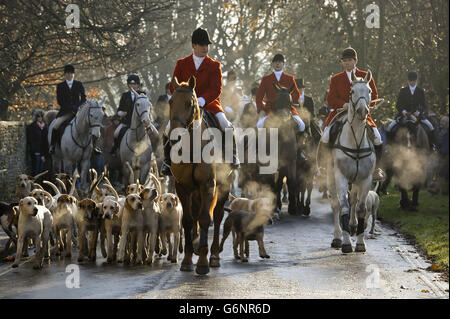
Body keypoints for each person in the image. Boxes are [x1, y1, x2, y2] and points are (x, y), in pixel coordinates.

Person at [161, 27, 240, 176]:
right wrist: (184, 97)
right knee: (167, 128)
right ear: (193, 46)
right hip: (185, 107)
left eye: (207, 45)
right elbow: (173, 86)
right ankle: (167, 162)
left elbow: (217, 88)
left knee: (226, 124)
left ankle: (232, 156)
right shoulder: (181, 63)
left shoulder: (214, 65)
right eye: (202, 44)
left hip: (209, 105)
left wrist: (202, 99)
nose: (205, 48)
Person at [318, 47, 384, 181]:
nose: (347, 63)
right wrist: (344, 104)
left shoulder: (366, 75)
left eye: (350, 60)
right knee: (325, 136)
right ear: (342, 62)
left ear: (355, 60)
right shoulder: (336, 79)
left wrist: (365, 107)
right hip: (341, 114)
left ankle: (377, 169)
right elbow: (331, 98)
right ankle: (323, 168)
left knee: (377, 137)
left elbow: (374, 95)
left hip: (361, 115)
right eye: (345, 61)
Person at [50, 65, 101, 154]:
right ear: (65, 74)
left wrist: (77, 106)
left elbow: (83, 98)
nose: (70, 75)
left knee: (92, 125)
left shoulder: (79, 84)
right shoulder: (60, 86)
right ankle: (53, 145)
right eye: (68, 73)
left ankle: (94, 146)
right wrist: (70, 108)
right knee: (56, 125)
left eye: (71, 73)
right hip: (65, 112)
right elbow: (60, 101)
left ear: (73, 74)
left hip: (79, 111)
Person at [255, 54, 305, 133]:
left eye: (279, 62)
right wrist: (261, 109)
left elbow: (296, 94)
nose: (277, 64)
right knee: (259, 125)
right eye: (275, 62)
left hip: (287, 109)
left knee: (302, 125)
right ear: (272, 64)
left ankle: (300, 144)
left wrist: (287, 99)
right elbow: (258, 97)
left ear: (283, 64)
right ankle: (260, 145)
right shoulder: (266, 79)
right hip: (271, 109)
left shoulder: (290, 78)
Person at [386, 70, 435, 148]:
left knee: (430, 126)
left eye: (413, 81)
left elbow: (423, 105)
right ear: (408, 80)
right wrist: (403, 111)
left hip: (417, 114)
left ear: (416, 80)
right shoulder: (402, 90)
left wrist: (419, 111)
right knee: (390, 127)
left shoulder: (420, 91)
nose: (412, 82)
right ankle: (388, 146)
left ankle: (432, 145)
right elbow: (398, 104)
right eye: (410, 81)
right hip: (404, 114)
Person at [110, 74, 147, 155]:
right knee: (116, 133)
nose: (133, 86)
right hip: (127, 121)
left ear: (138, 85)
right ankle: (116, 149)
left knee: (154, 132)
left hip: (141, 121)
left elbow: (146, 106)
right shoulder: (125, 95)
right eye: (131, 84)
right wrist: (121, 113)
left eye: (135, 84)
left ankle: (154, 150)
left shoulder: (143, 94)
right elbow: (120, 109)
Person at [26, 109, 49, 175]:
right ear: (36, 117)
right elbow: (30, 140)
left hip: (44, 152)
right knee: (36, 170)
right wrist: (34, 151)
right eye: (38, 116)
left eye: (41, 116)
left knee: (42, 170)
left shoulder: (45, 127)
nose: (40, 118)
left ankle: (39, 184)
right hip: (36, 152)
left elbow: (46, 141)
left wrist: (44, 154)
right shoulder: (32, 126)